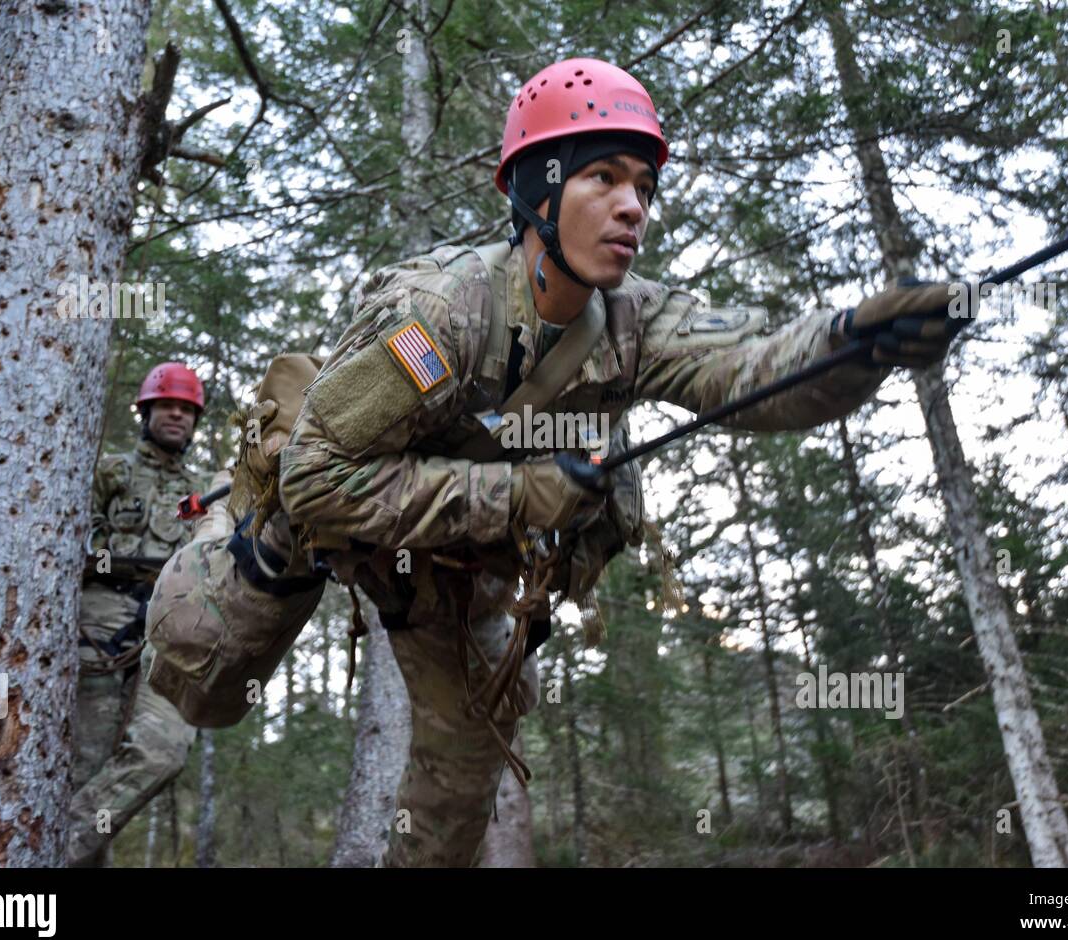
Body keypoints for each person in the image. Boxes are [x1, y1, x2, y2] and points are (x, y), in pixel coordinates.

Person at [276, 57, 967, 867]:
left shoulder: (636, 318)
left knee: (467, 764)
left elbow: (744, 372)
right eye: (603, 176)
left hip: (453, 573)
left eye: (643, 184)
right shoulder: (438, 316)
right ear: (538, 190)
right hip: (350, 525)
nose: (633, 206)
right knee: (206, 655)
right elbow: (315, 477)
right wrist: (519, 493)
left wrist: (851, 345)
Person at [68, 362, 205, 866]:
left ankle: (46, 849)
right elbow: (72, 533)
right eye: (168, 404)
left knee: (162, 750)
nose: (177, 414)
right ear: (145, 410)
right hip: (102, 619)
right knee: (86, 764)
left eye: (187, 409)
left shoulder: (204, 494)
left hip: (170, 627)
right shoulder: (110, 470)